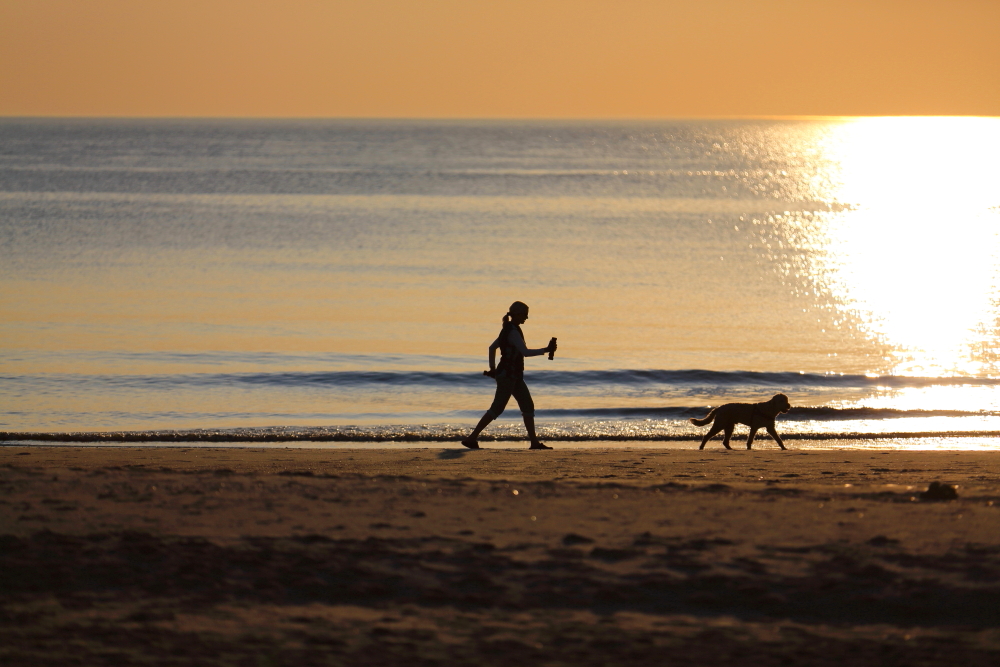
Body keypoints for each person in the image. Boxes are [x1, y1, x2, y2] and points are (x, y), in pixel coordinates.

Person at [462, 301, 557, 450]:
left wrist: (493, 369)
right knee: (497, 408)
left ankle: (534, 443)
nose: (526, 317)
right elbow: (524, 352)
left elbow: (492, 348)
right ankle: (471, 438)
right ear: (517, 314)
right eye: (525, 314)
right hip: (508, 376)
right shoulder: (512, 332)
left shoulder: (507, 329)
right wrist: (546, 349)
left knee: (527, 406)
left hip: (513, 375)